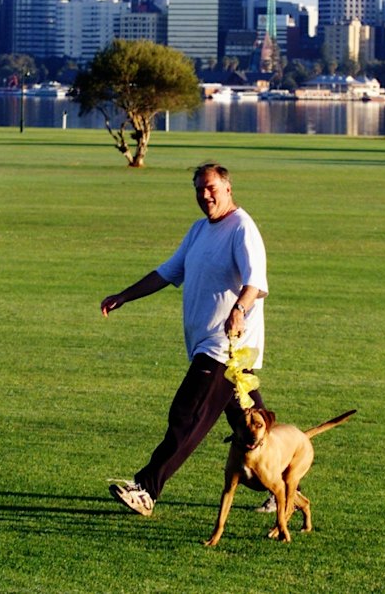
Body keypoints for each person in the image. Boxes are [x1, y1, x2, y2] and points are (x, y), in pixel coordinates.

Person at [102, 162, 273, 517]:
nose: (205, 195)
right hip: (210, 347)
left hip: (225, 348)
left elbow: (255, 284)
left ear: (227, 188)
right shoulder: (198, 231)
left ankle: (146, 489)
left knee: (186, 414)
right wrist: (124, 295)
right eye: (199, 189)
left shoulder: (242, 227)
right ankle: (284, 485)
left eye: (211, 187)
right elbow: (166, 273)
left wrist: (238, 310)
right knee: (251, 424)